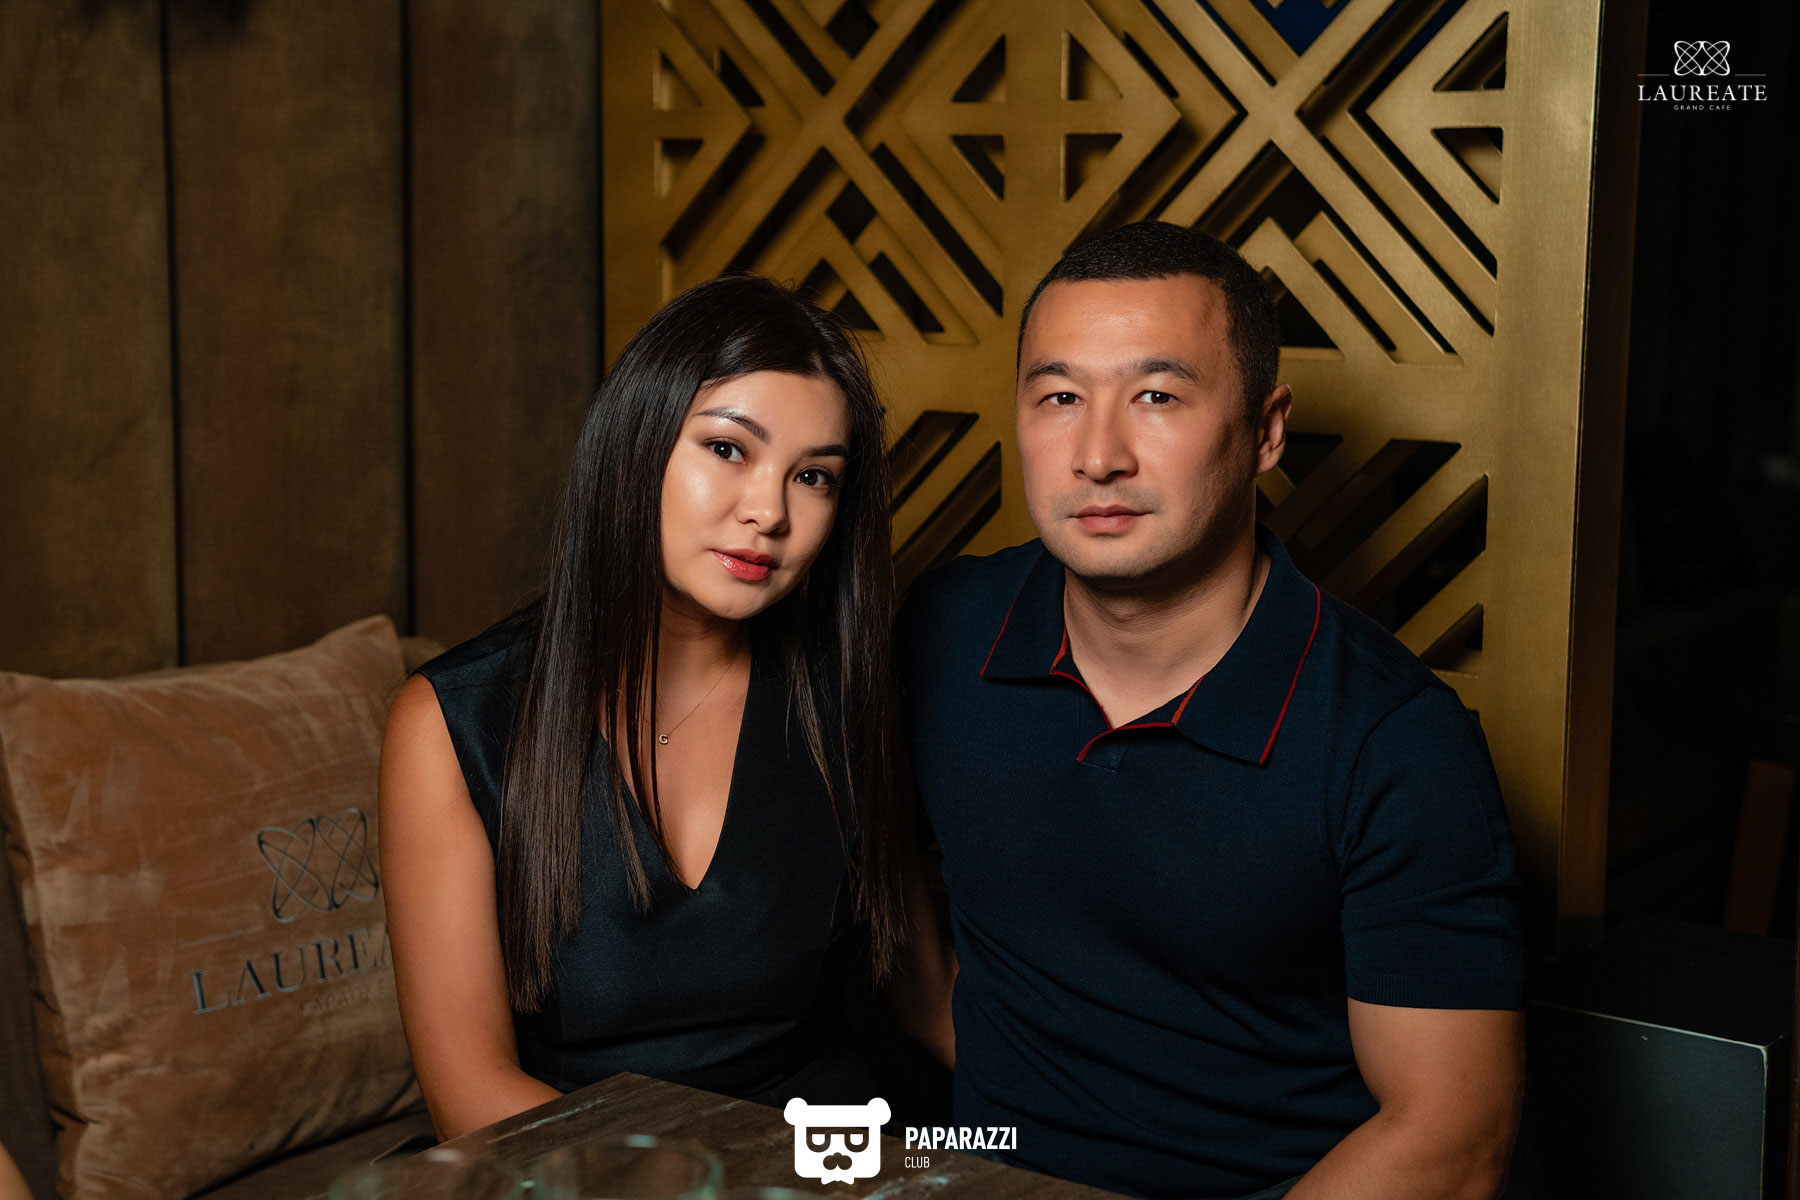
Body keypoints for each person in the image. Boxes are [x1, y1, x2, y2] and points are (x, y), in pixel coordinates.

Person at [895, 221, 1524, 1200]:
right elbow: (856, 866)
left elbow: (1452, 1138)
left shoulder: (1395, 741)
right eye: (1060, 397)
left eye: (1156, 396)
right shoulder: (942, 629)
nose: (1097, 455)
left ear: (1267, 431)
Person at [381, 274, 955, 1141]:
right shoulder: (456, 722)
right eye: (727, 449)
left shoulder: (848, 694)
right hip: (568, 1169)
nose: (769, 512)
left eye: (813, 477)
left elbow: (925, 997)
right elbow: (470, 1094)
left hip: (822, 1160)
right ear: (635, 444)